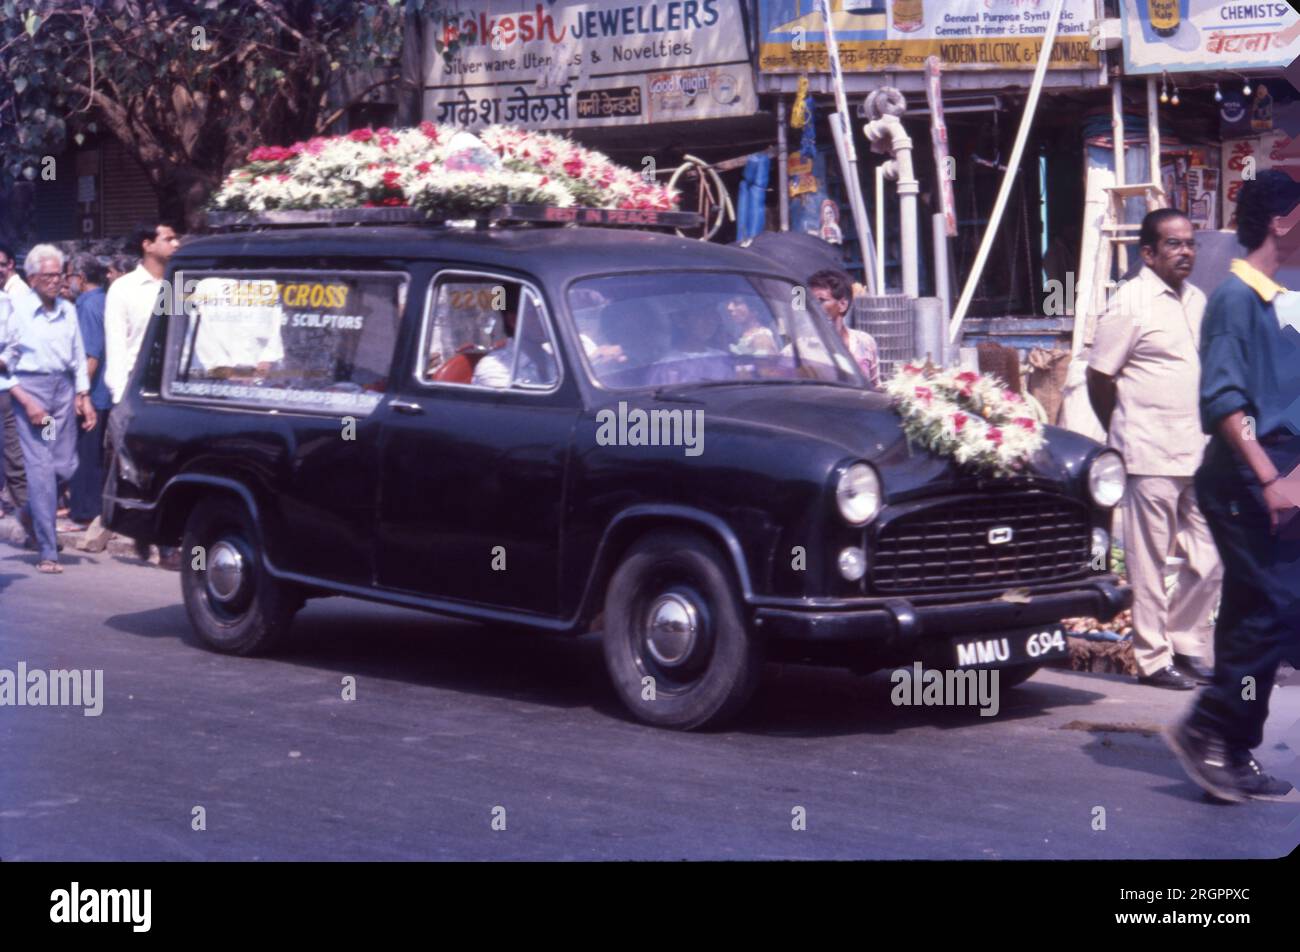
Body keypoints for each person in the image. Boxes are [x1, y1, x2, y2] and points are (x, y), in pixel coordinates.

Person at [1165, 170, 1300, 803]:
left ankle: (1234, 747)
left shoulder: (1281, 297)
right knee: (1274, 604)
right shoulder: (1235, 299)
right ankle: (1206, 728)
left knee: (1256, 609)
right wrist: (1269, 475)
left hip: (1281, 468)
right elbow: (1226, 401)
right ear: (1280, 222)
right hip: (1246, 470)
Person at [1087, 209, 1222, 690]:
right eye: (1173, 244)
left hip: (1197, 450)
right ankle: (1152, 659)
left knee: (1210, 558)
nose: (1185, 252)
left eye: (1190, 243)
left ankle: (1185, 643)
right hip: (1148, 453)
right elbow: (1099, 376)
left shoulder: (1198, 301)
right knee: (1148, 563)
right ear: (1147, 252)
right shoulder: (1130, 302)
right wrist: (1121, 431)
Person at [0, 245, 95, 573]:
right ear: (33, 277)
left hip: (61, 393)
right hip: (31, 393)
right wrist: (26, 402)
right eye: (49, 276)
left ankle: (28, 513)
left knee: (64, 465)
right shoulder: (14, 310)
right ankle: (47, 550)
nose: (57, 281)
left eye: (60, 274)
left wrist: (83, 394)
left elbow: (78, 353)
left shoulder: (67, 310)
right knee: (40, 469)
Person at [104, 222, 178, 405]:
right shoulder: (123, 288)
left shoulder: (180, 284)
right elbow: (116, 343)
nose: (176, 244)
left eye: (176, 239)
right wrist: (120, 396)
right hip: (136, 385)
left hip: (174, 386)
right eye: (168, 239)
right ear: (148, 246)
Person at [68, 254, 113, 526]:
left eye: (69, 275)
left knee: (85, 455)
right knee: (93, 455)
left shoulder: (87, 306)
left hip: (92, 395)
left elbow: (91, 356)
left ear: (81, 278)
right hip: (102, 393)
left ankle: (85, 511)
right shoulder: (104, 301)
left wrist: (81, 394)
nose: (67, 281)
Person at [808, 268, 880, 388]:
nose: (814, 307)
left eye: (821, 301)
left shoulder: (864, 342)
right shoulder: (799, 349)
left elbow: (875, 386)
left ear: (842, 305)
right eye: (811, 302)